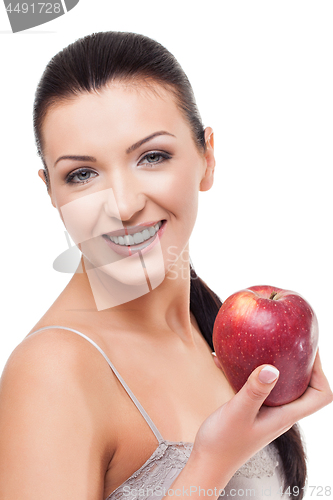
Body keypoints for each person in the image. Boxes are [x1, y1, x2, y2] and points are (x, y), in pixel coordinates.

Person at [0, 31, 331, 500]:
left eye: (152, 157)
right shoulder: (52, 371)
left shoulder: (220, 333)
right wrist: (210, 463)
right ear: (51, 191)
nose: (123, 204)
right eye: (82, 174)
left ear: (207, 157)